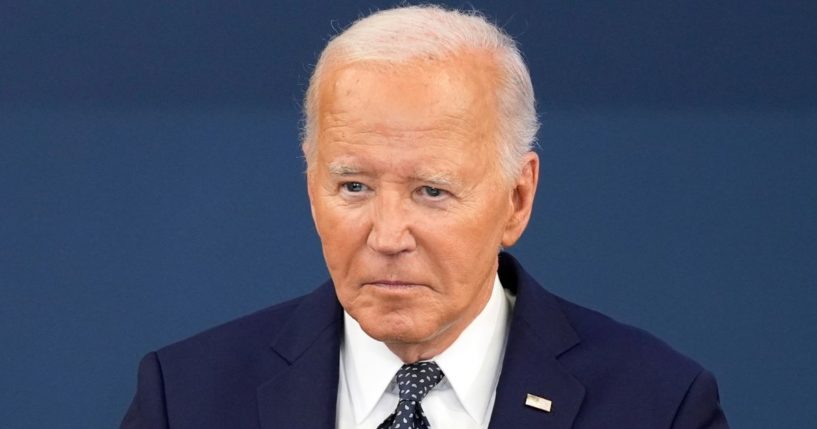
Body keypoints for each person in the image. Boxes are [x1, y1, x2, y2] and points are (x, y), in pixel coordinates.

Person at [122, 5, 728, 428]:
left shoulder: (658, 406)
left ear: (517, 199)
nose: (387, 236)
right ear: (311, 191)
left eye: (431, 192)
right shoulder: (187, 399)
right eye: (353, 186)